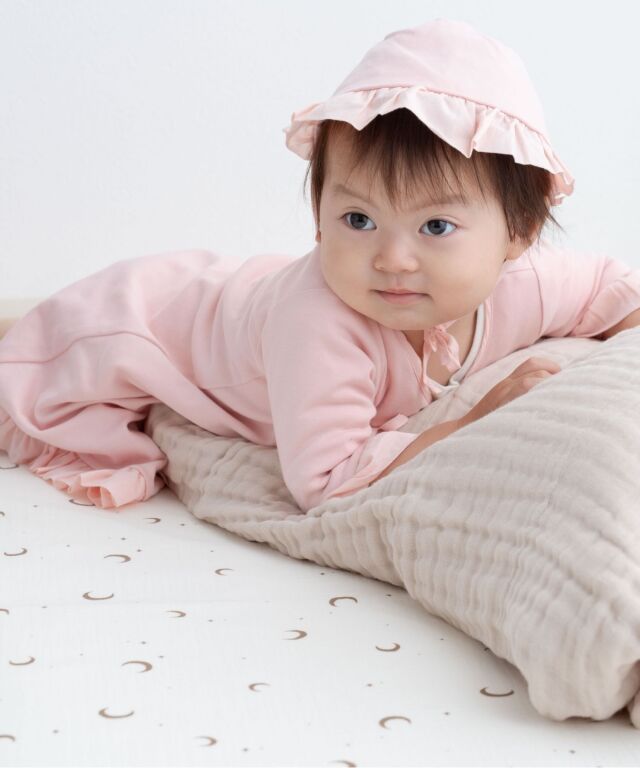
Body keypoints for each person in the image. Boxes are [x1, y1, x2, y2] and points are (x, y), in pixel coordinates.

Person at [1, 18, 639, 513]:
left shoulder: (525, 284)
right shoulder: (319, 323)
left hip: (229, 290)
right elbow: (327, 481)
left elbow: (615, 290)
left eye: (436, 227)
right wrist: (475, 420)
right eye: (358, 219)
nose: (392, 260)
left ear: (519, 233)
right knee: (31, 365)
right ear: (318, 216)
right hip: (140, 320)